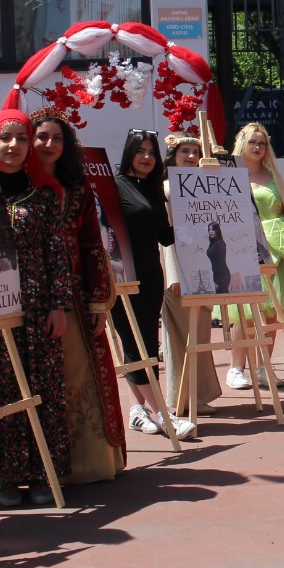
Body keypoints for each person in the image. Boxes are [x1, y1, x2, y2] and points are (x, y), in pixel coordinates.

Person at [33, 110, 156, 477]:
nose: (49, 144)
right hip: (30, 297)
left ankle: (89, 464)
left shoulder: (78, 187)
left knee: (82, 374)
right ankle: (41, 467)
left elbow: (92, 244)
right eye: (41, 137)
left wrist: (99, 298)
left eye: (57, 138)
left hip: (76, 293)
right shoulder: (16, 186)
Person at [0, 108, 73, 509]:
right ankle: (7, 478)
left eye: (21, 138)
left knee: (41, 389)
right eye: (5, 138)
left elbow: (56, 254)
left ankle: (42, 472)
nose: (13, 145)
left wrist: (58, 306)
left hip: (36, 310)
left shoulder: (42, 196)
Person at [227, 122, 284, 390]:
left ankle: (263, 368)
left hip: (279, 249)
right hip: (243, 247)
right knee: (244, 312)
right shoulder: (230, 175)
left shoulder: (276, 175)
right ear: (242, 143)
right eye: (252, 142)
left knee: (272, 313)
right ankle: (236, 368)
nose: (257, 147)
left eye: (262, 143)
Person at [112, 130, 175, 432]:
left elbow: (165, 236)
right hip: (123, 277)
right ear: (129, 153)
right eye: (140, 151)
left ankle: (138, 409)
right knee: (134, 344)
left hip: (151, 277)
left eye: (151, 152)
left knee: (147, 344)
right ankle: (163, 414)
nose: (147, 157)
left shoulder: (152, 188)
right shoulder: (115, 186)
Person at [158, 133, 218, 423]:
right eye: (185, 151)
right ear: (173, 155)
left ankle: (198, 396)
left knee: (201, 332)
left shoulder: (206, 186)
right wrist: (173, 274)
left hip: (205, 266)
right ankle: (178, 399)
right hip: (179, 270)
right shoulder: (167, 188)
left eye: (196, 151)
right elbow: (166, 235)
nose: (191, 156)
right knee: (179, 336)